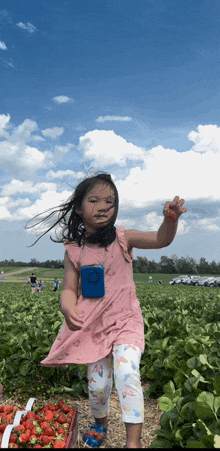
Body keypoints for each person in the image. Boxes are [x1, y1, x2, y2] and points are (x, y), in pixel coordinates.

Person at [26, 172, 187, 448]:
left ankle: (133, 442)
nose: (103, 207)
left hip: (126, 322)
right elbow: (68, 288)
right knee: (98, 384)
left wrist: (169, 221)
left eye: (110, 201)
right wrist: (67, 307)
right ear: (78, 207)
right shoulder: (74, 250)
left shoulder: (124, 238)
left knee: (127, 374)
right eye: (94, 200)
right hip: (95, 327)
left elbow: (161, 239)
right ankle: (101, 426)